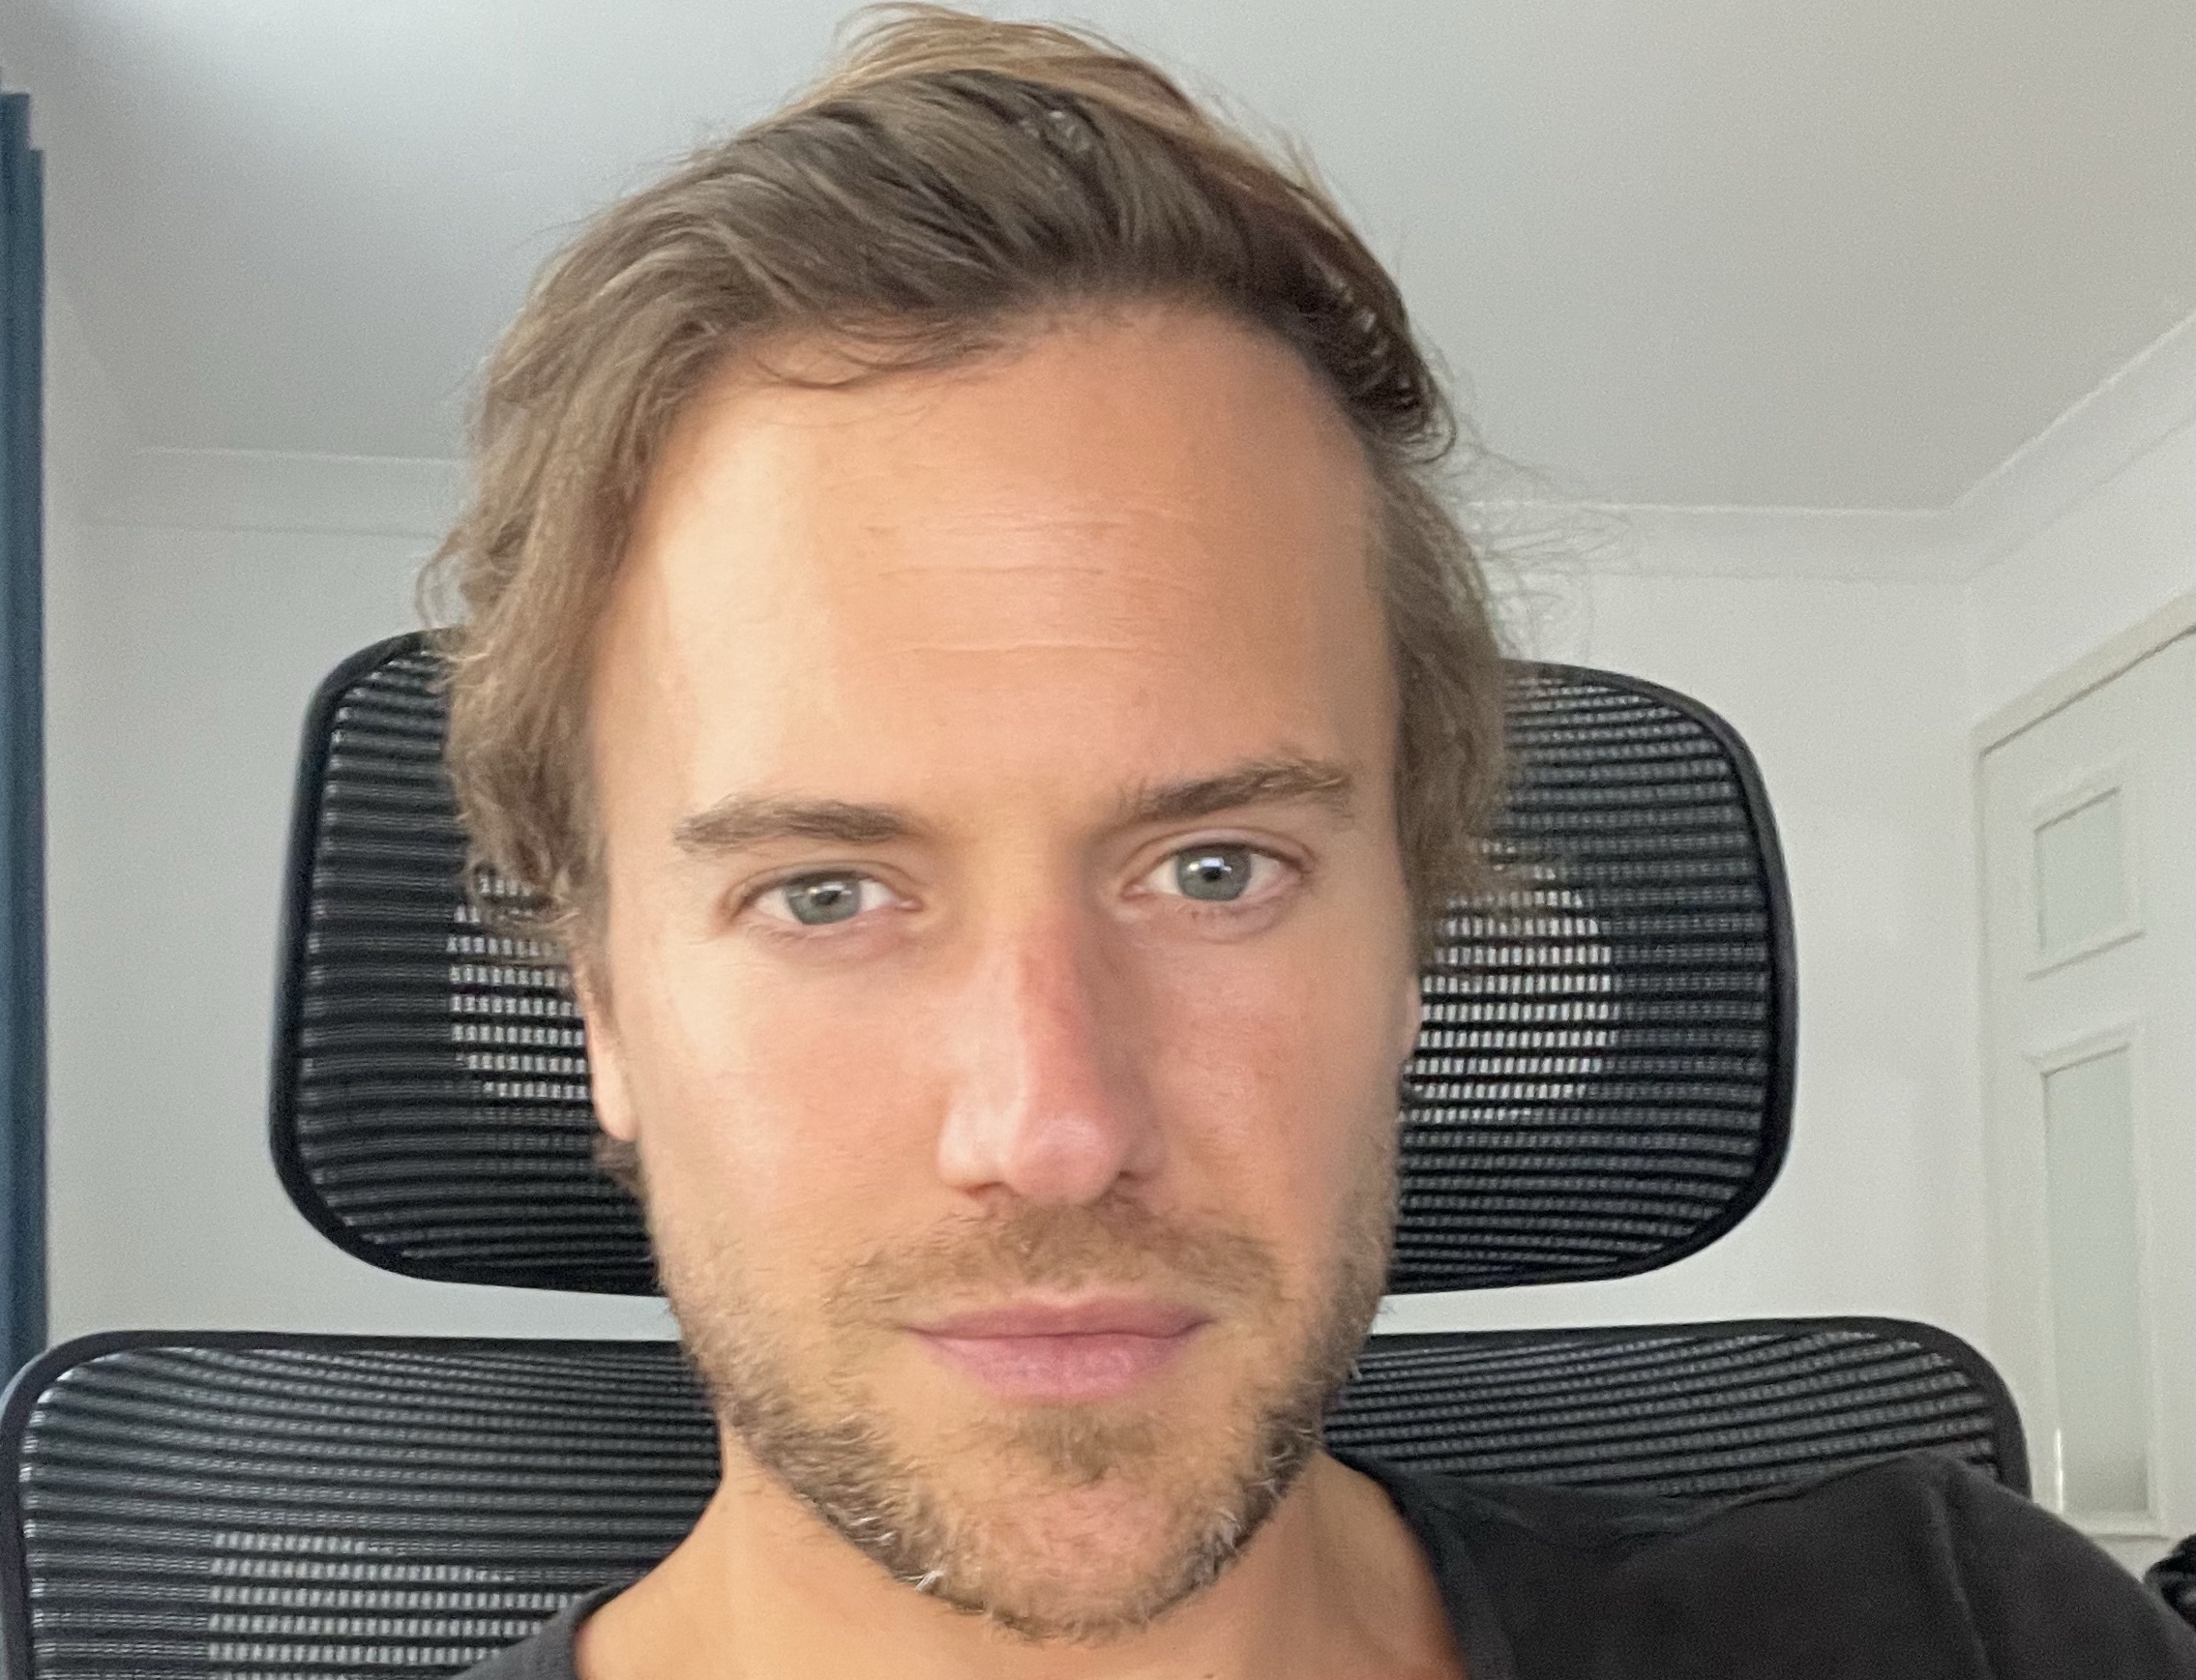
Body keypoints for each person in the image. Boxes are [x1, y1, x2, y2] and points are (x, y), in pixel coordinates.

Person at [435, 8, 2196, 1676]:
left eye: (1216, 870)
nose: (1055, 1131)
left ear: (1409, 947)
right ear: (605, 1006)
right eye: (824, 894)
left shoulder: (1960, 1629)